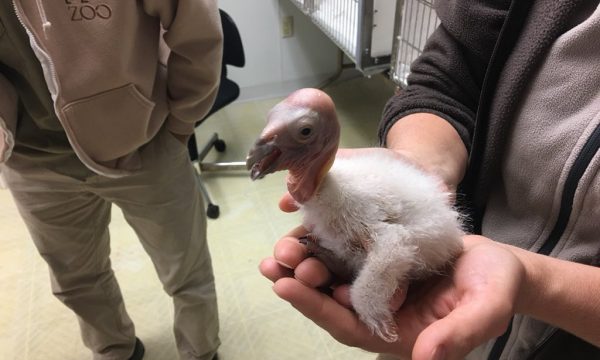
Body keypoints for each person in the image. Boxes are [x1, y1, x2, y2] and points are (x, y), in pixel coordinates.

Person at [260, 0, 600, 359]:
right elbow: (448, 77)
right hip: (440, 293)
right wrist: (418, 163)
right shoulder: (338, 191)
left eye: (303, 132)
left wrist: (535, 284)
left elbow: (393, 246)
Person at [0, 1, 222, 359]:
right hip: (31, 161)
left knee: (186, 268)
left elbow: (197, 29)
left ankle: (201, 352)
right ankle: (115, 350)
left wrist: (182, 123)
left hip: (145, 142)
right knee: (78, 282)